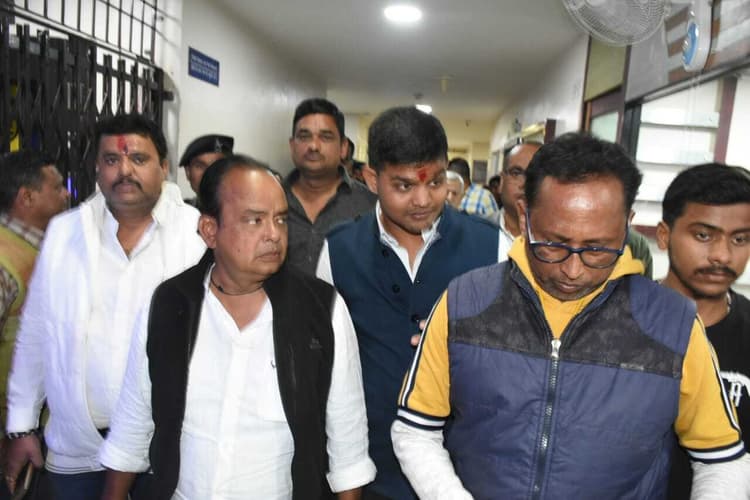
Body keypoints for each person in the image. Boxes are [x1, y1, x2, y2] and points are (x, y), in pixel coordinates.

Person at [392, 133, 750, 499]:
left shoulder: (672, 325)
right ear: (525, 216)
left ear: (626, 224)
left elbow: (721, 459)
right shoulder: (465, 301)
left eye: (598, 248)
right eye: (553, 244)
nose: (573, 270)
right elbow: (416, 429)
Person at [99, 155, 375, 499]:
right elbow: (131, 430)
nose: (273, 234)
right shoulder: (169, 306)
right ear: (210, 230)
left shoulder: (321, 311)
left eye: (280, 219)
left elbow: (348, 452)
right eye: (254, 220)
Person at [3, 114, 206, 500]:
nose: (124, 171)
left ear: (164, 167)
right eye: (112, 160)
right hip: (78, 449)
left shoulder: (196, 234)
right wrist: (21, 425)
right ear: (96, 167)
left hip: (165, 451)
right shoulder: (65, 232)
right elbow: (37, 332)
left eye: (138, 159)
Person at [317, 106, 510, 499]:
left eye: (436, 182)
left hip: (463, 474)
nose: (423, 199)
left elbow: (518, 359)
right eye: (404, 186)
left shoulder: (494, 248)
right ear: (372, 179)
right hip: (369, 469)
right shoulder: (337, 252)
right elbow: (327, 369)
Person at [658, 163, 750, 499]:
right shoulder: (619, 324)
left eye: (740, 239)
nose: (722, 255)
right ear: (664, 235)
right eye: (703, 235)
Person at [489, 141, 653, 276]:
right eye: (517, 173)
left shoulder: (634, 246)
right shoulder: (478, 233)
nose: (573, 272)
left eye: (595, 249)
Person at [284, 98, 376, 274]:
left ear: (343, 147)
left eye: (325, 137)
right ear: (292, 145)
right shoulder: (270, 201)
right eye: (304, 136)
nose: (313, 146)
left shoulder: (370, 207)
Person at [178, 134, 234, 204]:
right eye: (200, 166)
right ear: (188, 172)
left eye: (217, 165)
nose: (209, 173)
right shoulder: (178, 210)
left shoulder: (244, 209)